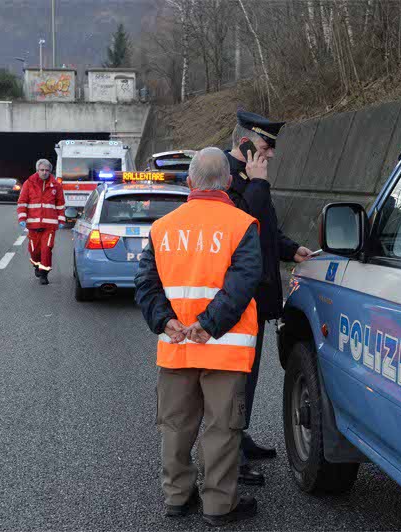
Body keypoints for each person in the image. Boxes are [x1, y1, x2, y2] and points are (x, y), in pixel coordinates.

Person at [134, 147, 263, 527]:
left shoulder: (163, 228)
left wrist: (165, 321)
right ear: (227, 182)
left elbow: (146, 283)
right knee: (221, 428)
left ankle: (177, 496)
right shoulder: (243, 225)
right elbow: (241, 285)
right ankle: (218, 505)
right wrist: (208, 324)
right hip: (224, 349)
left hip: (176, 347)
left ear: (189, 183)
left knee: (175, 425)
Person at [225, 110, 312, 485]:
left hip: (255, 299)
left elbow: (267, 232)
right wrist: (258, 185)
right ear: (244, 143)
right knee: (233, 378)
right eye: (265, 146)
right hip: (236, 301)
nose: (271, 155)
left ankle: (238, 439)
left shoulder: (250, 177)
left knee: (250, 374)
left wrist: (292, 250)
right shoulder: (225, 179)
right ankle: (228, 455)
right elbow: (244, 226)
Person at [16, 159, 65, 285]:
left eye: (47, 170)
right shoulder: (29, 183)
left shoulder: (56, 186)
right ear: (37, 170)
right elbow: (22, 202)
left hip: (49, 225)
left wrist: (61, 220)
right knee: (34, 251)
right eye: (42, 170)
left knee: (46, 249)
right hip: (33, 225)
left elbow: (60, 204)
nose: (44, 172)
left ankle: (44, 274)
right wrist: (22, 218)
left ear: (50, 171)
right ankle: (37, 265)